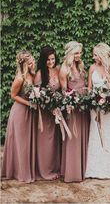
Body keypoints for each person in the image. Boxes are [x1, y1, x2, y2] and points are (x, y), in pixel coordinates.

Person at [1, 51, 37, 182]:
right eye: (30, 60)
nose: (33, 61)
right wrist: (28, 103)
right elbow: (13, 95)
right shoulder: (20, 78)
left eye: (32, 58)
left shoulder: (32, 75)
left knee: (27, 142)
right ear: (25, 63)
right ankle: (20, 173)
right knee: (21, 143)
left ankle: (27, 170)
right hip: (20, 112)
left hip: (30, 112)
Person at [85, 43, 110, 179]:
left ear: (102, 55)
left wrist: (108, 99)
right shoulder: (92, 68)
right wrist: (93, 99)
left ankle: (108, 169)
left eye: (95, 55)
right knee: (95, 134)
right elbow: (89, 87)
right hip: (95, 107)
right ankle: (93, 169)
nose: (93, 57)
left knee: (109, 134)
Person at [59, 41, 90, 182]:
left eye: (80, 52)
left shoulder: (80, 66)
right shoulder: (64, 70)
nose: (79, 55)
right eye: (76, 53)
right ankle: (72, 172)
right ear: (70, 53)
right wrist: (71, 102)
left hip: (83, 107)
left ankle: (82, 169)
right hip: (72, 108)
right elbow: (64, 91)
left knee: (82, 136)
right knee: (74, 138)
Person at [34, 46, 61, 180]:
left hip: (57, 112)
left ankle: (54, 167)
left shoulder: (58, 69)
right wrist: (50, 106)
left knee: (55, 140)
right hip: (45, 113)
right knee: (46, 140)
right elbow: (37, 95)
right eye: (48, 59)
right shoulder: (40, 73)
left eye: (53, 58)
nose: (51, 62)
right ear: (43, 60)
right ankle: (44, 170)